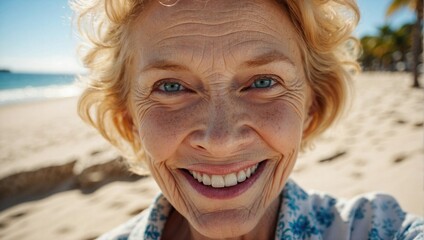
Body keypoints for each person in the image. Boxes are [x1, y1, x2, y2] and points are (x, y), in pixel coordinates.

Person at [72, 0, 424, 239]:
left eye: (263, 82)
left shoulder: (376, 227)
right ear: (129, 120)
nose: (220, 139)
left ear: (311, 107)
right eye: (171, 86)